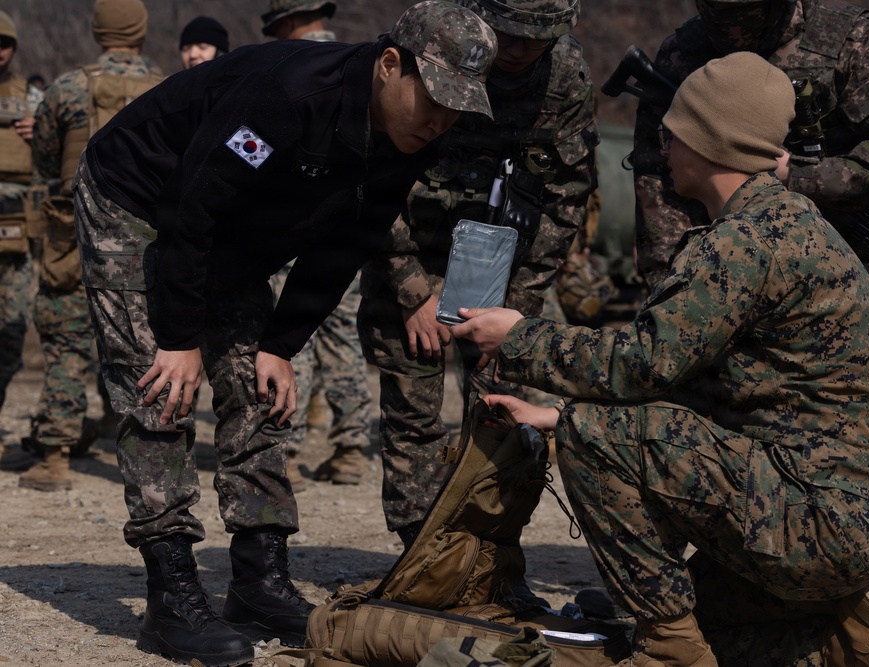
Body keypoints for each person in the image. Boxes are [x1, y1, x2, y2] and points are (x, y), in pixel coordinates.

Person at [452, 52, 869, 667]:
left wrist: (520, 339)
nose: (662, 149)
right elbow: (707, 388)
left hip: (819, 519)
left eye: (673, 133)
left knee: (596, 438)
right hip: (849, 518)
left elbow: (639, 364)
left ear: (706, 141)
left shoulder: (744, 243)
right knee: (720, 632)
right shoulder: (791, 223)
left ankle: (670, 657)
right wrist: (552, 415)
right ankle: (824, 628)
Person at [74, 2, 496, 664]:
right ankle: (171, 593)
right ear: (391, 66)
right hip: (140, 197)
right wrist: (180, 337)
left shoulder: (418, 134)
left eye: (459, 107)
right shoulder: (290, 96)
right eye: (436, 97)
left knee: (258, 383)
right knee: (160, 382)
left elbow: (346, 241)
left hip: (235, 229)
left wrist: (281, 344)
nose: (442, 119)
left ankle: (258, 577)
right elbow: (194, 202)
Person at [358, 0, 597, 556]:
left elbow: (567, 198)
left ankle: (490, 557)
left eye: (535, 41)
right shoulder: (440, 42)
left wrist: (515, 313)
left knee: (500, 418)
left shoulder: (565, 77)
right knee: (413, 416)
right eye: (510, 36)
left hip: (502, 271)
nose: (517, 52)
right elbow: (368, 172)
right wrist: (412, 286)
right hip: (410, 257)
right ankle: (422, 557)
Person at [628, 0, 869, 350]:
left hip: (840, 276)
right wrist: (669, 286)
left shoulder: (853, 39)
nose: (733, 28)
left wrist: (796, 174)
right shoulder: (684, 51)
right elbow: (657, 175)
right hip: (716, 275)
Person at [17, 0, 161, 492]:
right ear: (141, 31)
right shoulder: (165, 87)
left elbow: (45, 161)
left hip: (72, 232)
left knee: (65, 339)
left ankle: (55, 455)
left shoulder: (66, 87)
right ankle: (146, 448)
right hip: (146, 237)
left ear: (98, 32)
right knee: (142, 337)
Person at [262, 0, 375, 490]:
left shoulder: (284, 66)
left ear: (284, 21)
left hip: (292, 220)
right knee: (342, 331)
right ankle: (351, 446)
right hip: (347, 221)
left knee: (290, 334)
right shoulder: (363, 63)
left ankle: (283, 447)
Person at [0, 9, 39, 472]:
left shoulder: (33, 98)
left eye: (4, 42)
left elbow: (63, 154)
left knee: (11, 334)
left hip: (17, 234)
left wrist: (40, 133)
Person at [261, 0, 337, 41]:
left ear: (287, 23)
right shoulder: (345, 55)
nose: (277, 37)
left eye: (276, 28)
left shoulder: (290, 66)